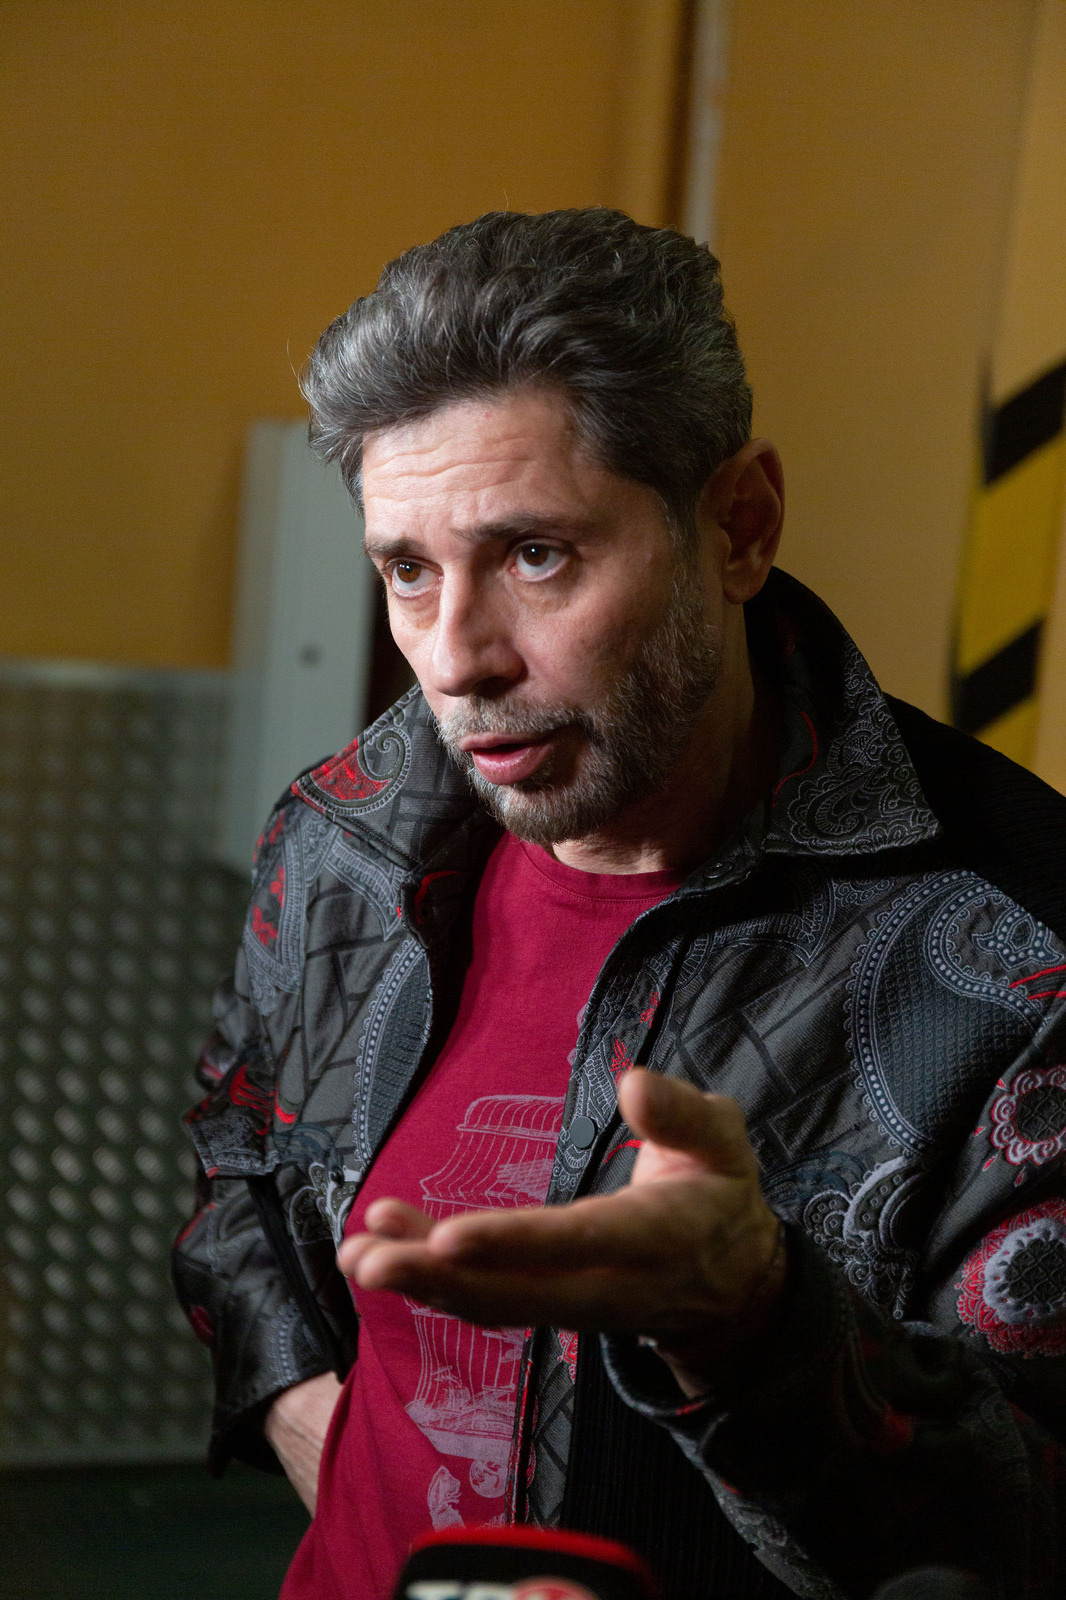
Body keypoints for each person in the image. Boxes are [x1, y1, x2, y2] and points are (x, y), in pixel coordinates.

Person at [173, 209, 1066, 1600]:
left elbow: (1022, 1525)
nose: (454, 660)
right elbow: (240, 1161)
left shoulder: (1017, 948)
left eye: (535, 554)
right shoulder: (346, 832)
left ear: (739, 527)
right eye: (408, 570)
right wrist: (312, 1422)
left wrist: (754, 1328)